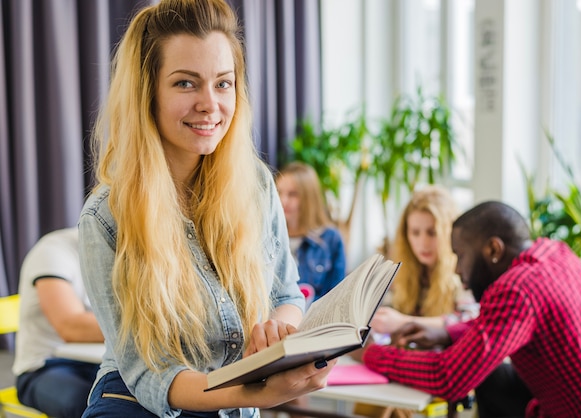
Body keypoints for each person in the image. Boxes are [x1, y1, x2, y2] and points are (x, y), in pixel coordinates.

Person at [77, 1, 335, 417]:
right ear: (148, 94)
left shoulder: (255, 185)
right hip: (138, 405)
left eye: (223, 83)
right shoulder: (105, 217)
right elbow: (151, 374)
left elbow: (286, 293)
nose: (210, 104)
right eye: (185, 84)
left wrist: (279, 331)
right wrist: (259, 395)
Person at [359, 201, 581, 417]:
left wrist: (373, 354)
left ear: (493, 249)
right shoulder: (554, 254)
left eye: (460, 255)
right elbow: (504, 324)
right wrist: (447, 334)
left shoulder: (517, 289)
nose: (456, 268)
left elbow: (449, 377)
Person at [12, 227, 104, 418]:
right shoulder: (53, 250)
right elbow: (70, 327)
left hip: (101, 362)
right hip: (45, 366)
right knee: (92, 405)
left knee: (151, 398)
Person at [370, 185, 477, 337]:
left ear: (449, 233)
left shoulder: (464, 271)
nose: (423, 243)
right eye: (415, 232)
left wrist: (404, 322)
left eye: (432, 233)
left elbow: (468, 321)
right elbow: (386, 311)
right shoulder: (401, 268)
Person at [275, 161, 346, 305]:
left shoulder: (330, 239)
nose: (283, 201)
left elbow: (337, 296)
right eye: (279, 192)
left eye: (293, 194)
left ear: (309, 198)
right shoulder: (270, 237)